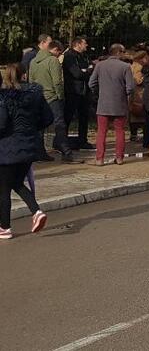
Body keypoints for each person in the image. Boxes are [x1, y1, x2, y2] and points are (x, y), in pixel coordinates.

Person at [0, 63, 51, 239]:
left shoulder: (4, 97)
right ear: (24, 75)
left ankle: (4, 227)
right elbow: (48, 117)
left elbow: (1, 124)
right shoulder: (35, 95)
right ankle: (36, 211)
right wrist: (31, 129)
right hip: (29, 145)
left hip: (7, 148)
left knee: (3, 188)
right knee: (16, 183)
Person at [29, 39, 77, 163]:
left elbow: (31, 81)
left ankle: (40, 153)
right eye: (59, 53)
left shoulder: (33, 61)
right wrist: (60, 96)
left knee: (40, 126)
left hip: (38, 97)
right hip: (52, 97)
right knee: (59, 125)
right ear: (55, 50)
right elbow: (57, 82)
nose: (59, 56)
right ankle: (66, 152)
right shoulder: (53, 61)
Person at [88, 44, 135, 166]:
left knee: (101, 131)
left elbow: (91, 83)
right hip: (119, 103)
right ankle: (119, 158)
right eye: (123, 52)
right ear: (118, 52)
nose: (124, 54)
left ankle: (99, 159)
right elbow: (130, 87)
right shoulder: (125, 67)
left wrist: (99, 93)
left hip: (103, 103)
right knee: (120, 131)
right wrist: (125, 95)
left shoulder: (100, 65)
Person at [63, 37, 94, 150]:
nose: (87, 45)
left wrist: (86, 70)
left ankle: (83, 140)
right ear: (78, 44)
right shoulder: (69, 56)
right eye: (84, 43)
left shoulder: (85, 56)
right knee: (68, 116)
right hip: (73, 91)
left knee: (84, 116)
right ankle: (63, 141)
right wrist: (86, 71)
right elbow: (77, 74)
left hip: (84, 91)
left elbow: (91, 68)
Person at [128, 50, 147, 143]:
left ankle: (133, 134)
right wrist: (146, 77)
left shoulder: (131, 66)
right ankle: (136, 135)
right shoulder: (138, 67)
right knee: (139, 114)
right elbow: (138, 80)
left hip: (133, 94)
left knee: (133, 115)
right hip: (139, 93)